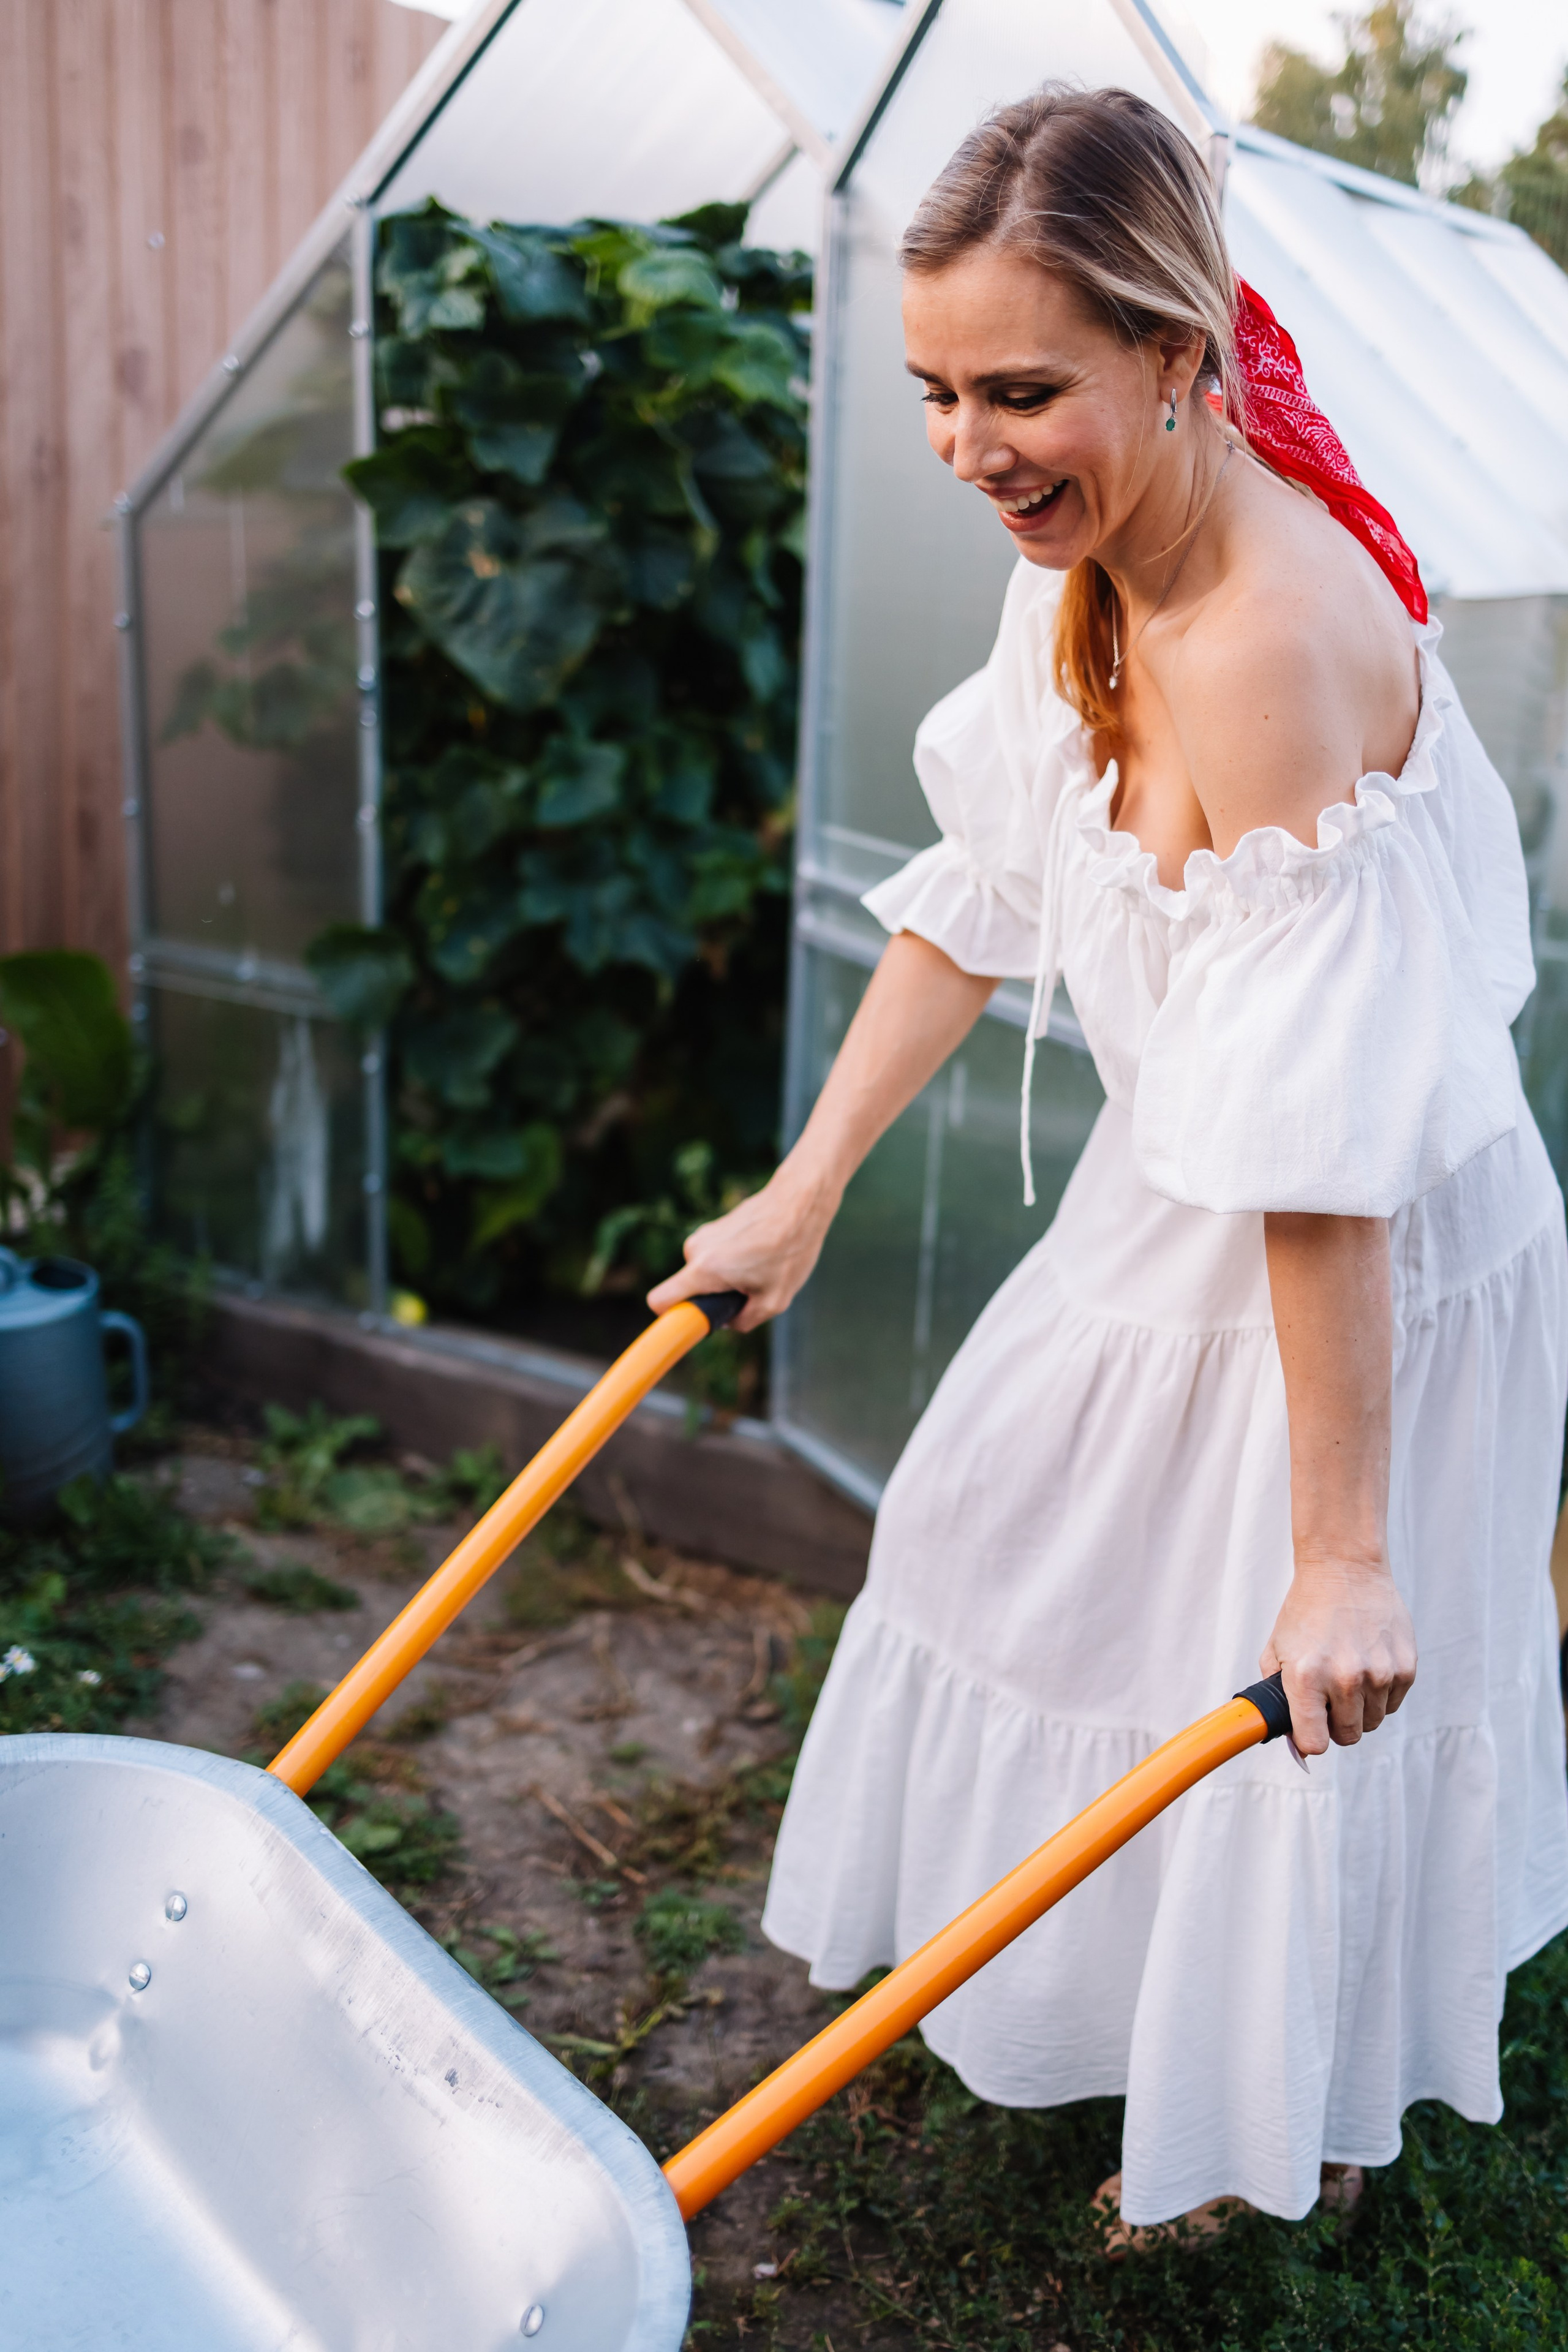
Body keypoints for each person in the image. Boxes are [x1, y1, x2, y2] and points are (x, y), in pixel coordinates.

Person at [649, 85, 1568, 2240]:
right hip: (1191, 1187)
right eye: (938, 391)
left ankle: (1289, 2133)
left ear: (1175, 354)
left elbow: (1331, 1152)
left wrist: (1344, 1545)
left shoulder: (1262, 640)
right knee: (996, 1546)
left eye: (1021, 390)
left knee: (1290, 1680)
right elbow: (986, 885)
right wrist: (805, 1188)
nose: (970, 446)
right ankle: (1165, 2017)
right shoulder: (1082, 547)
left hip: (1367, 1253)